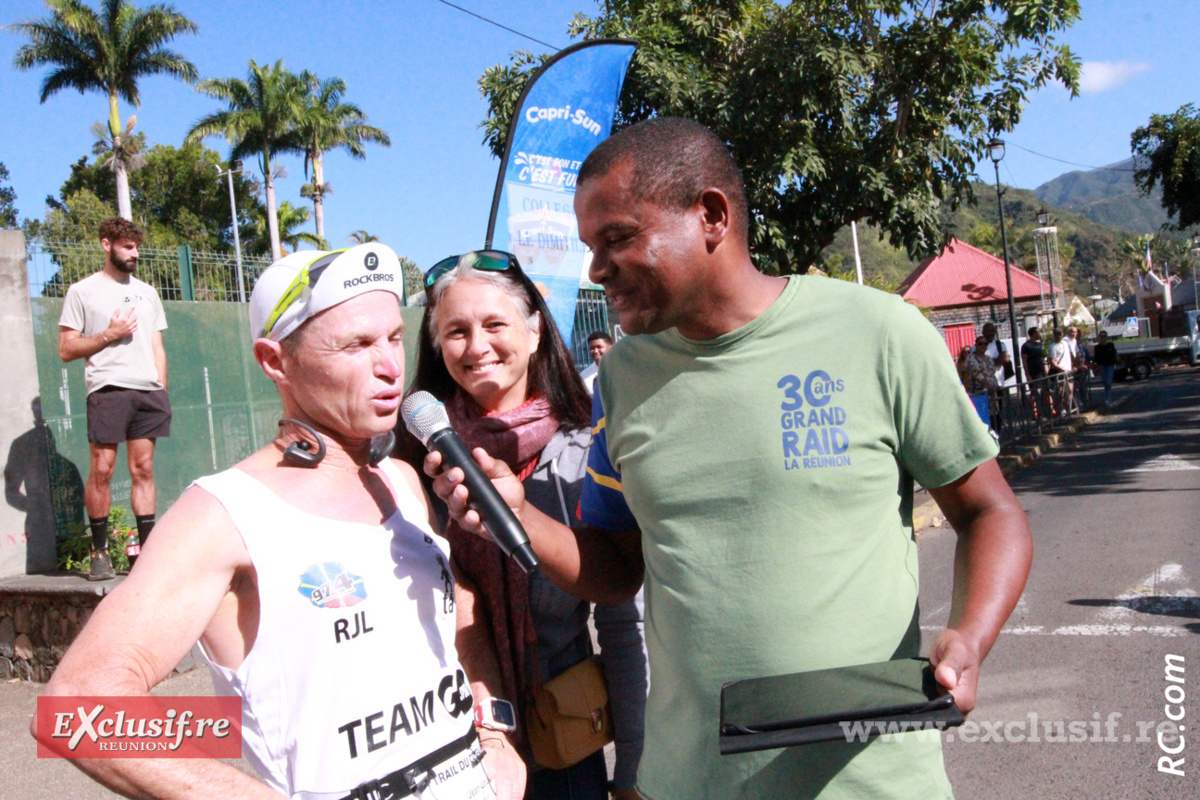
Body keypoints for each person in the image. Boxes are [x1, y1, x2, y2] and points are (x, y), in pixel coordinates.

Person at [425, 117, 1033, 800]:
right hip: (687, 782)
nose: (596, 269)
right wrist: (519, 518)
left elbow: (988, 509)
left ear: (711, 215)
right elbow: (618, 567)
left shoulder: (878, 333)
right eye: (591, 246)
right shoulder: (624, 377)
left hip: (868, 778)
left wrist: (969, 637)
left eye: (618, 238)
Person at [33, 244, 523, 800]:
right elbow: (77, 707)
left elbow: (458, 602)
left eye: (392, 338)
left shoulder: (402, 479)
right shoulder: (222, 514)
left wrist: (493, 724)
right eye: (357, 345)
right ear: (275, 361)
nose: (390, 366)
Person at [398, 251, 646, 800]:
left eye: (495, 325)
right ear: (437, 348)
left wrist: (632, 769)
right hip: (442, 747)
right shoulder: (411, 461)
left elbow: (625, 625)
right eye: (456, 331)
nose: (477, 346)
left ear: (535, 334)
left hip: (561, 745)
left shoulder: (585, 456)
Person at [58, 217, 170, 579]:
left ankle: (149, 553)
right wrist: (109, 334)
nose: (134, 253)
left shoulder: (148, 292)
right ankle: (101, 552)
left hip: (148, 393)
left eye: (136, 247)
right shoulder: (82, 291)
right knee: (103, 469)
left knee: (144, 469)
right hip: (107, 389)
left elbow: (157, 345)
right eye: (127, 246)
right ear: (106, 245)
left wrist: (160, 388)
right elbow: (66, 349)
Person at [959, 336, 999, 425]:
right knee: (980, 421)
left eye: (985, 344)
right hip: (977, 394)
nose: (983, 346)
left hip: (991, 396)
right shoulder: (971, 358)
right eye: (980, 343)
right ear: (976, 345)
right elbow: (976, 373)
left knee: (994, 420)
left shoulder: (989, 358)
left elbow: (992, 373)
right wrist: (986, 382)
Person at [1020, 327, 1053, 418]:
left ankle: (1050, 410)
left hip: (1041, 370)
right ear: (1034, 334)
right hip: (1033, 371)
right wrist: (1027, 374)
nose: (1040, 334)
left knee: (1047, 389)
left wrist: (1046, 366)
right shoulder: (1026, 346)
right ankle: (1035, 412)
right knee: (1034, 391)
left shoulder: (1039, 345)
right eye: (1038, 332)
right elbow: (1024, 360)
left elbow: (1042, 357)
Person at [1048, 328, 1074, 415]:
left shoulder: (1065, 343)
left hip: (1068, 371)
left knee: (1069, 391)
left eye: (1060, 334)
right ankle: (1061, 409)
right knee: (1060, 392)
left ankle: (1069, 408)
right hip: (1060, 372)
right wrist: (1062, 370)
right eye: (1056, 334)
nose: (1058, 336)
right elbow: (1052, 362)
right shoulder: (1053, 346)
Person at [579, 330, 614, 395]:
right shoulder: (584, 376)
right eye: (592, 348)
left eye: (599, 347)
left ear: (610, 347)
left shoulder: (623, 368)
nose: (595, 351)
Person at [1092, 330, 1118, 405]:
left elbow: (1114, 354)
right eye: (1101, 336)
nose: (1103, 338)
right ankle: (1107, 397)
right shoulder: (1097, 347)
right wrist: (1095, 366)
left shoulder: (1110, 345)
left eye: (1104, 336)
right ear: (1099, 337)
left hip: (1110, 365)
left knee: (1108, 382)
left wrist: (1115, 361)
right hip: (1102, 366)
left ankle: (1108, 398)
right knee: (1105, 382)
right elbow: (1096, 358)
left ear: (1106, 337)